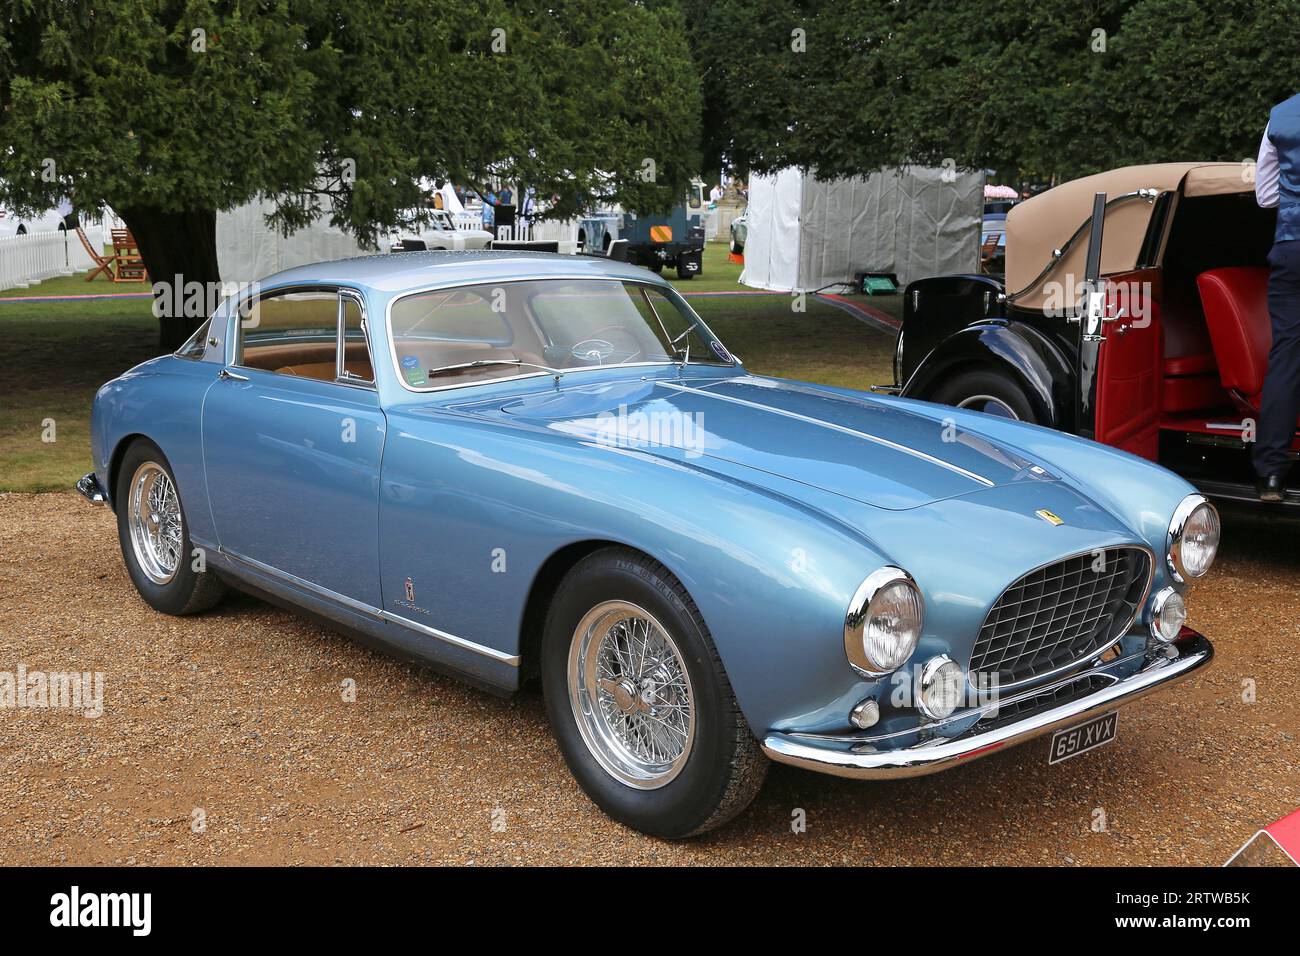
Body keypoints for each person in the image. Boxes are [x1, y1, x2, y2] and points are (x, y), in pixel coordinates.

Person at [1253, 91, 1300, 501]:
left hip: (1291, 245)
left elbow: (1265, 196)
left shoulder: (1281, 116)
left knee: (1286, 356)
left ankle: (1270, 473)